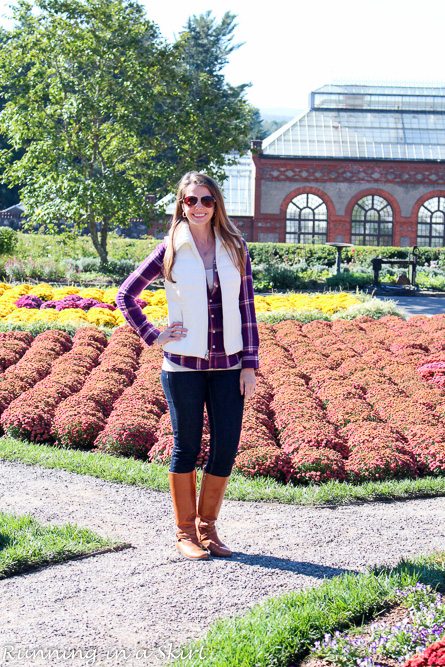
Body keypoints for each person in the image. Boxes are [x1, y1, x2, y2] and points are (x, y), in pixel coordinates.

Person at [116, 171, 259, 561]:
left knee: (226, 446)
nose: (198, 207)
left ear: (217, 205)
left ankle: (207, 529)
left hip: (229, 365)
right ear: (181, 204)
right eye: (191, 200)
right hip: (182, 366)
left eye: (206, 200)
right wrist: (152, 334)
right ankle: (184, 532)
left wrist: (250, 364)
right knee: (186, 447)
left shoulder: (235, 246)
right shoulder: (169, 250)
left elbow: (247, 308)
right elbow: (126, 294)